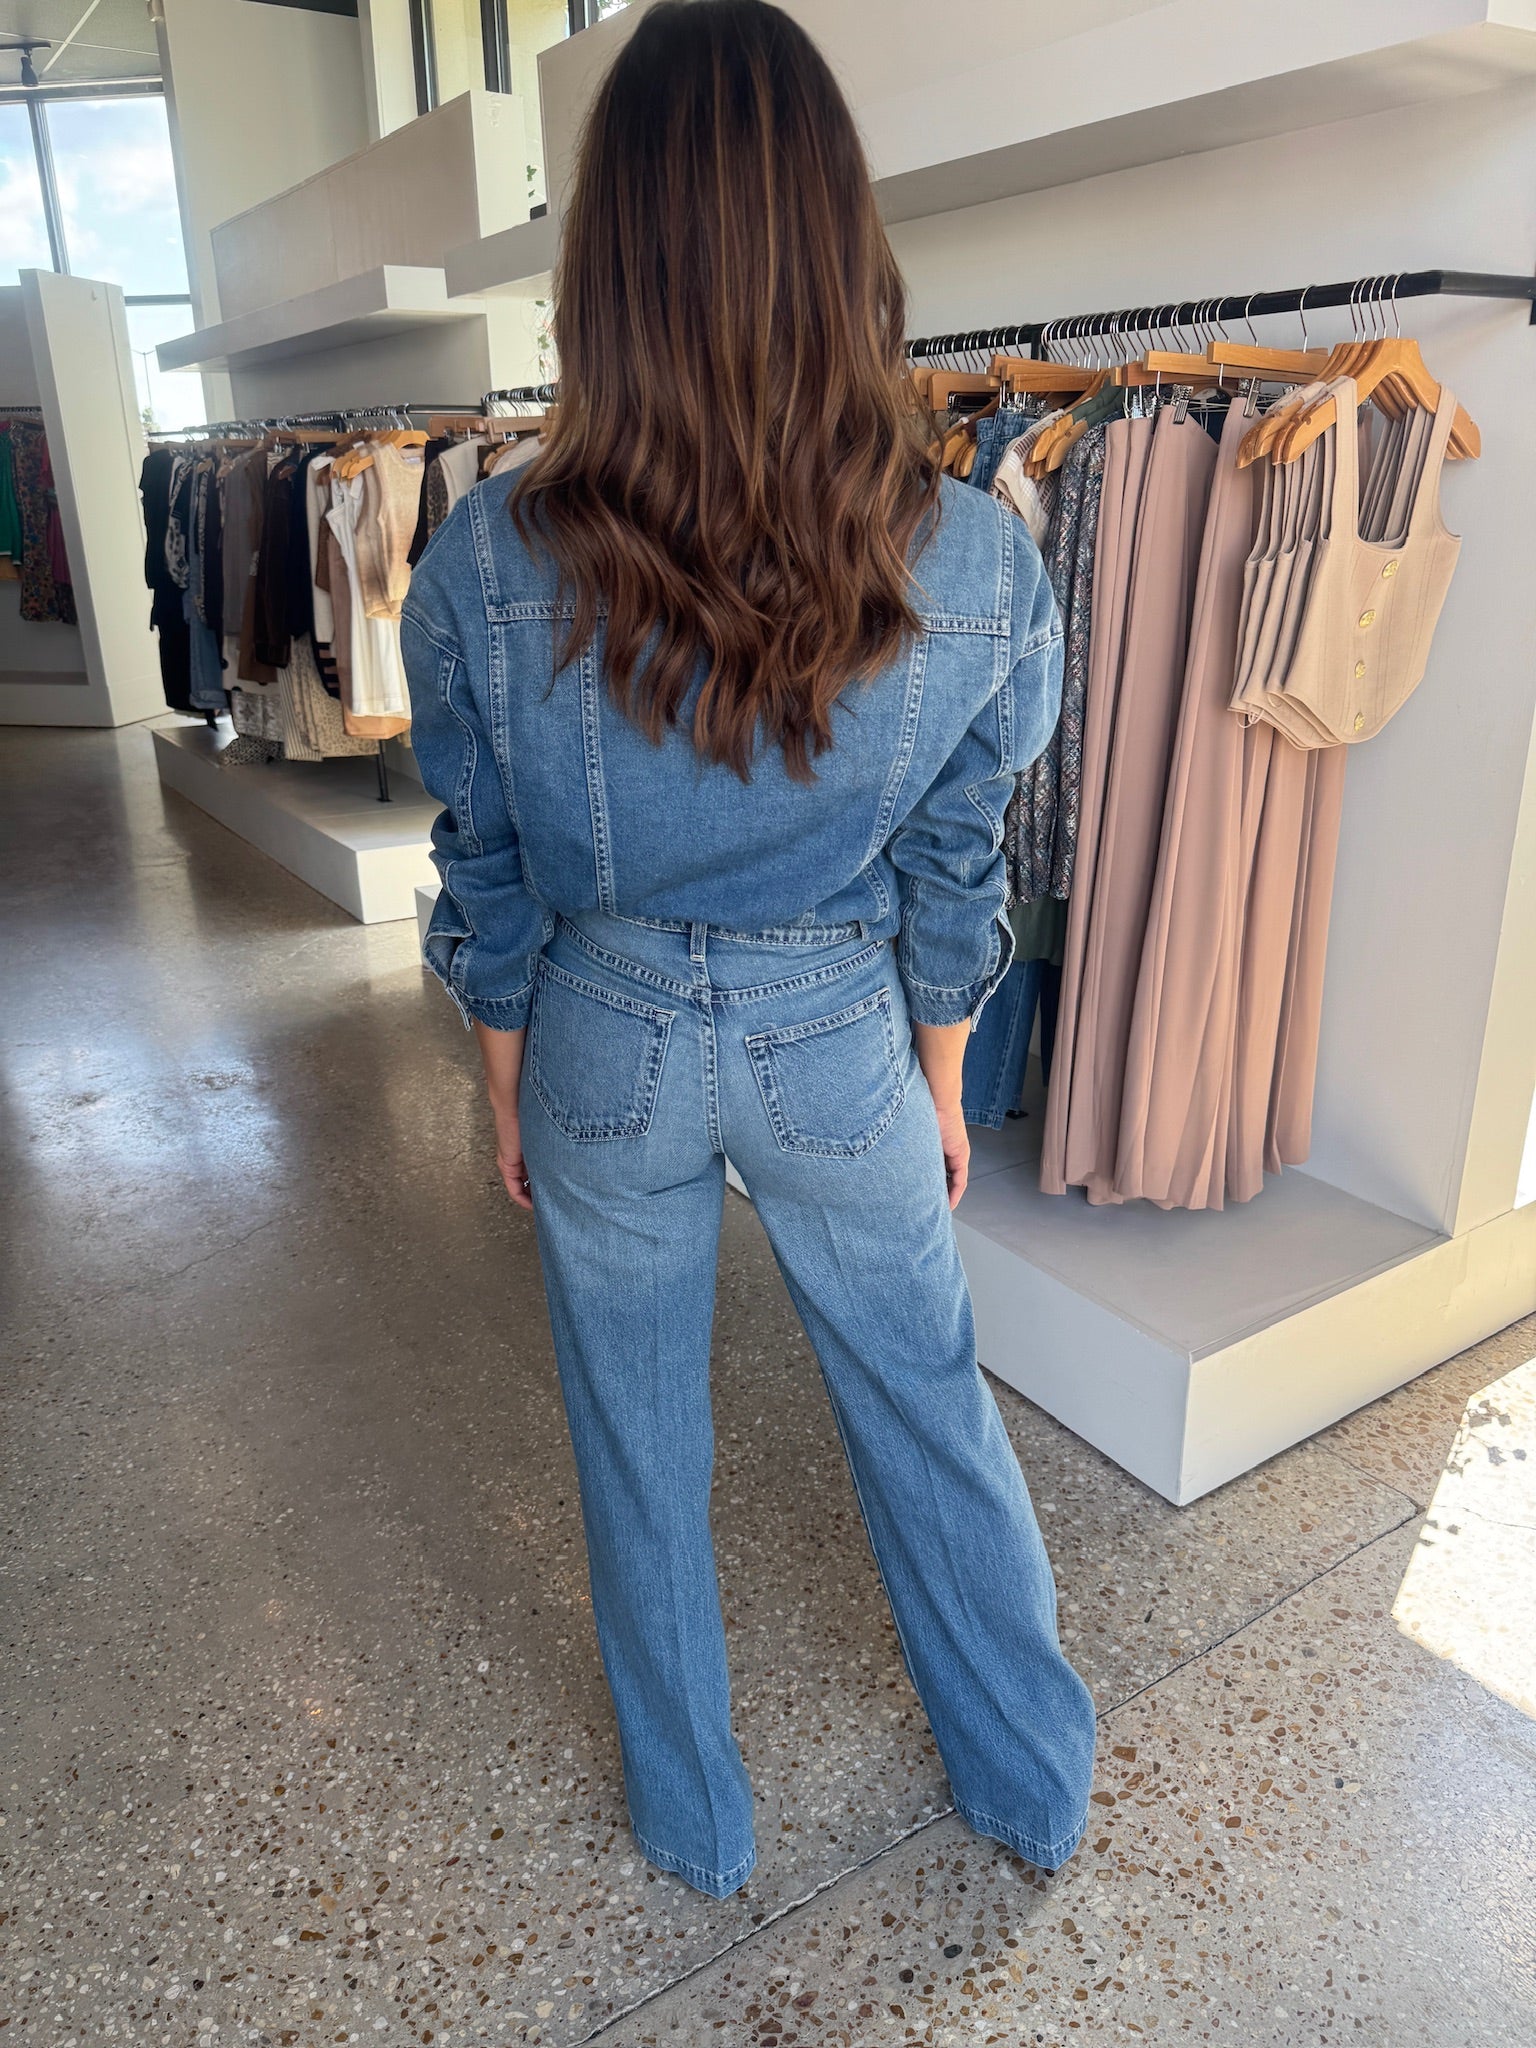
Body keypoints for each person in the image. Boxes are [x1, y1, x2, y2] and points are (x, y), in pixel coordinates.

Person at [402, 0, 1097, 1901]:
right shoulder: (973, 555)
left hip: (603, 1030)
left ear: (605, 265)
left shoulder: (485, 555)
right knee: (928, 1410)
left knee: (636, 1440)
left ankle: (693, 1819)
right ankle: (1030, 1783)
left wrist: (507, 1078)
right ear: (838, 240)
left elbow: (486, 862)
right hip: (834, 1034)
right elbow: (955, 857)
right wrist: (942, 1078)